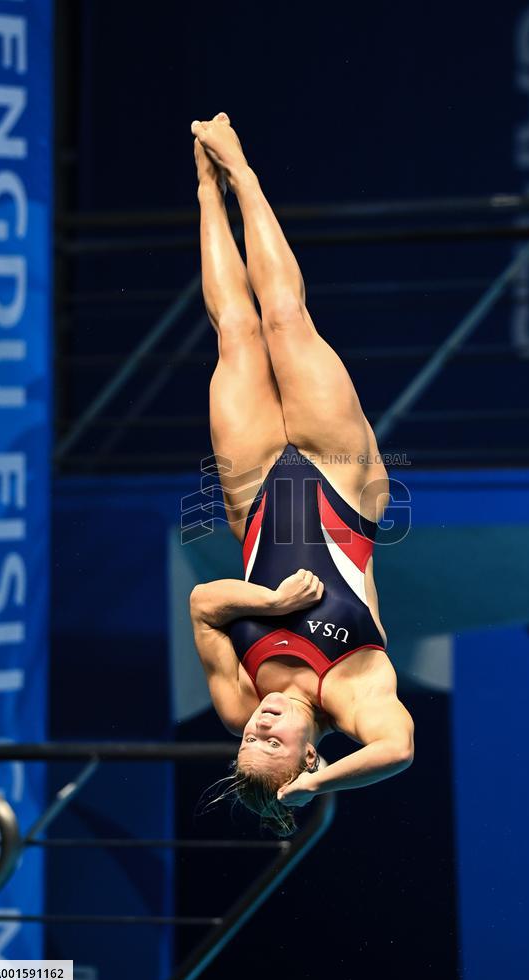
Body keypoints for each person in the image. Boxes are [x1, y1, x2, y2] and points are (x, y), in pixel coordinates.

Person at [189, 113, 414, 835]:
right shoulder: (354, 690)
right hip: (342, 487)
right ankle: (244, 172)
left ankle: (203, 188)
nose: (259, 724)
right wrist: (313, 792)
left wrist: (270, 596)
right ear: (311, 754)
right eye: (275, 742)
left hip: (254, 498)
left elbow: (201, 601)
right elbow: (398, 749)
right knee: (285, 318)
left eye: (249, 739)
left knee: (235, 332)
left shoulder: (235, 696)